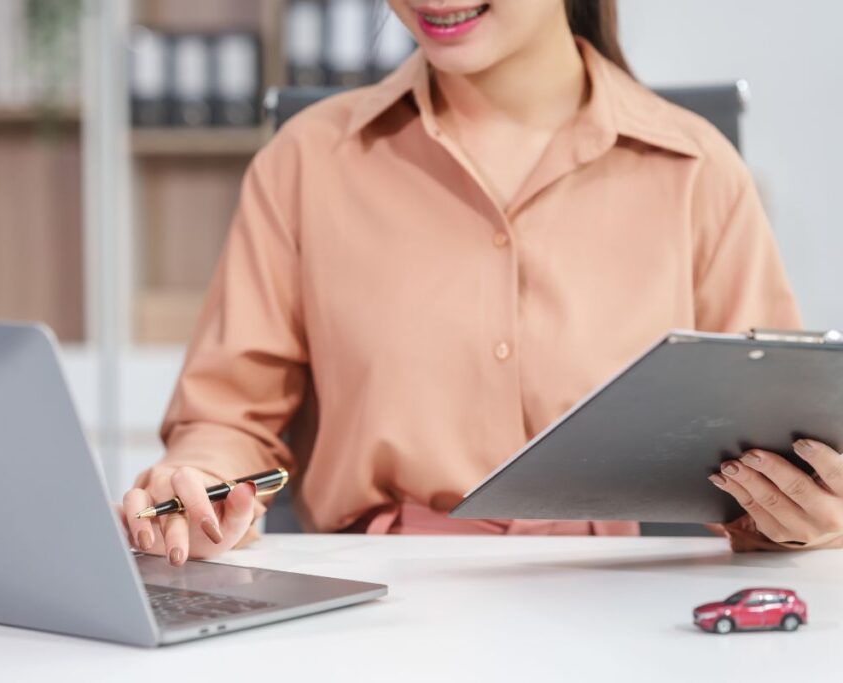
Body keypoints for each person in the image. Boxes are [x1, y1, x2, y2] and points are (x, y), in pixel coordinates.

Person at [121, 0, 843, 565]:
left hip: (629, 601)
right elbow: (229, 420)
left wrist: (799, 516)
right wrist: (197, 483)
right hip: (381, 606)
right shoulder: (305, 163)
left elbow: (776, 441)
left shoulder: (697, 171)